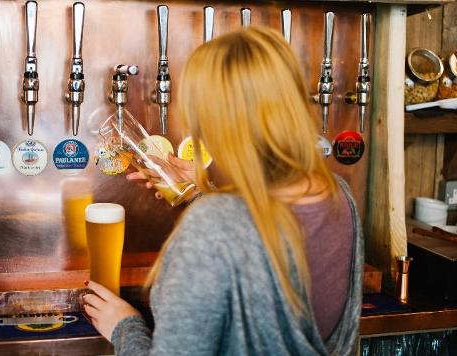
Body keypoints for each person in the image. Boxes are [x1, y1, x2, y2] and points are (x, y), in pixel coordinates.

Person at [82, 27, 363, 355]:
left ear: (213, 121)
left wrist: (125, 327)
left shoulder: (212, 223)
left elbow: (231, 230)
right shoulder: (340, 197)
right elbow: (258, 231)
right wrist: (202, 190)